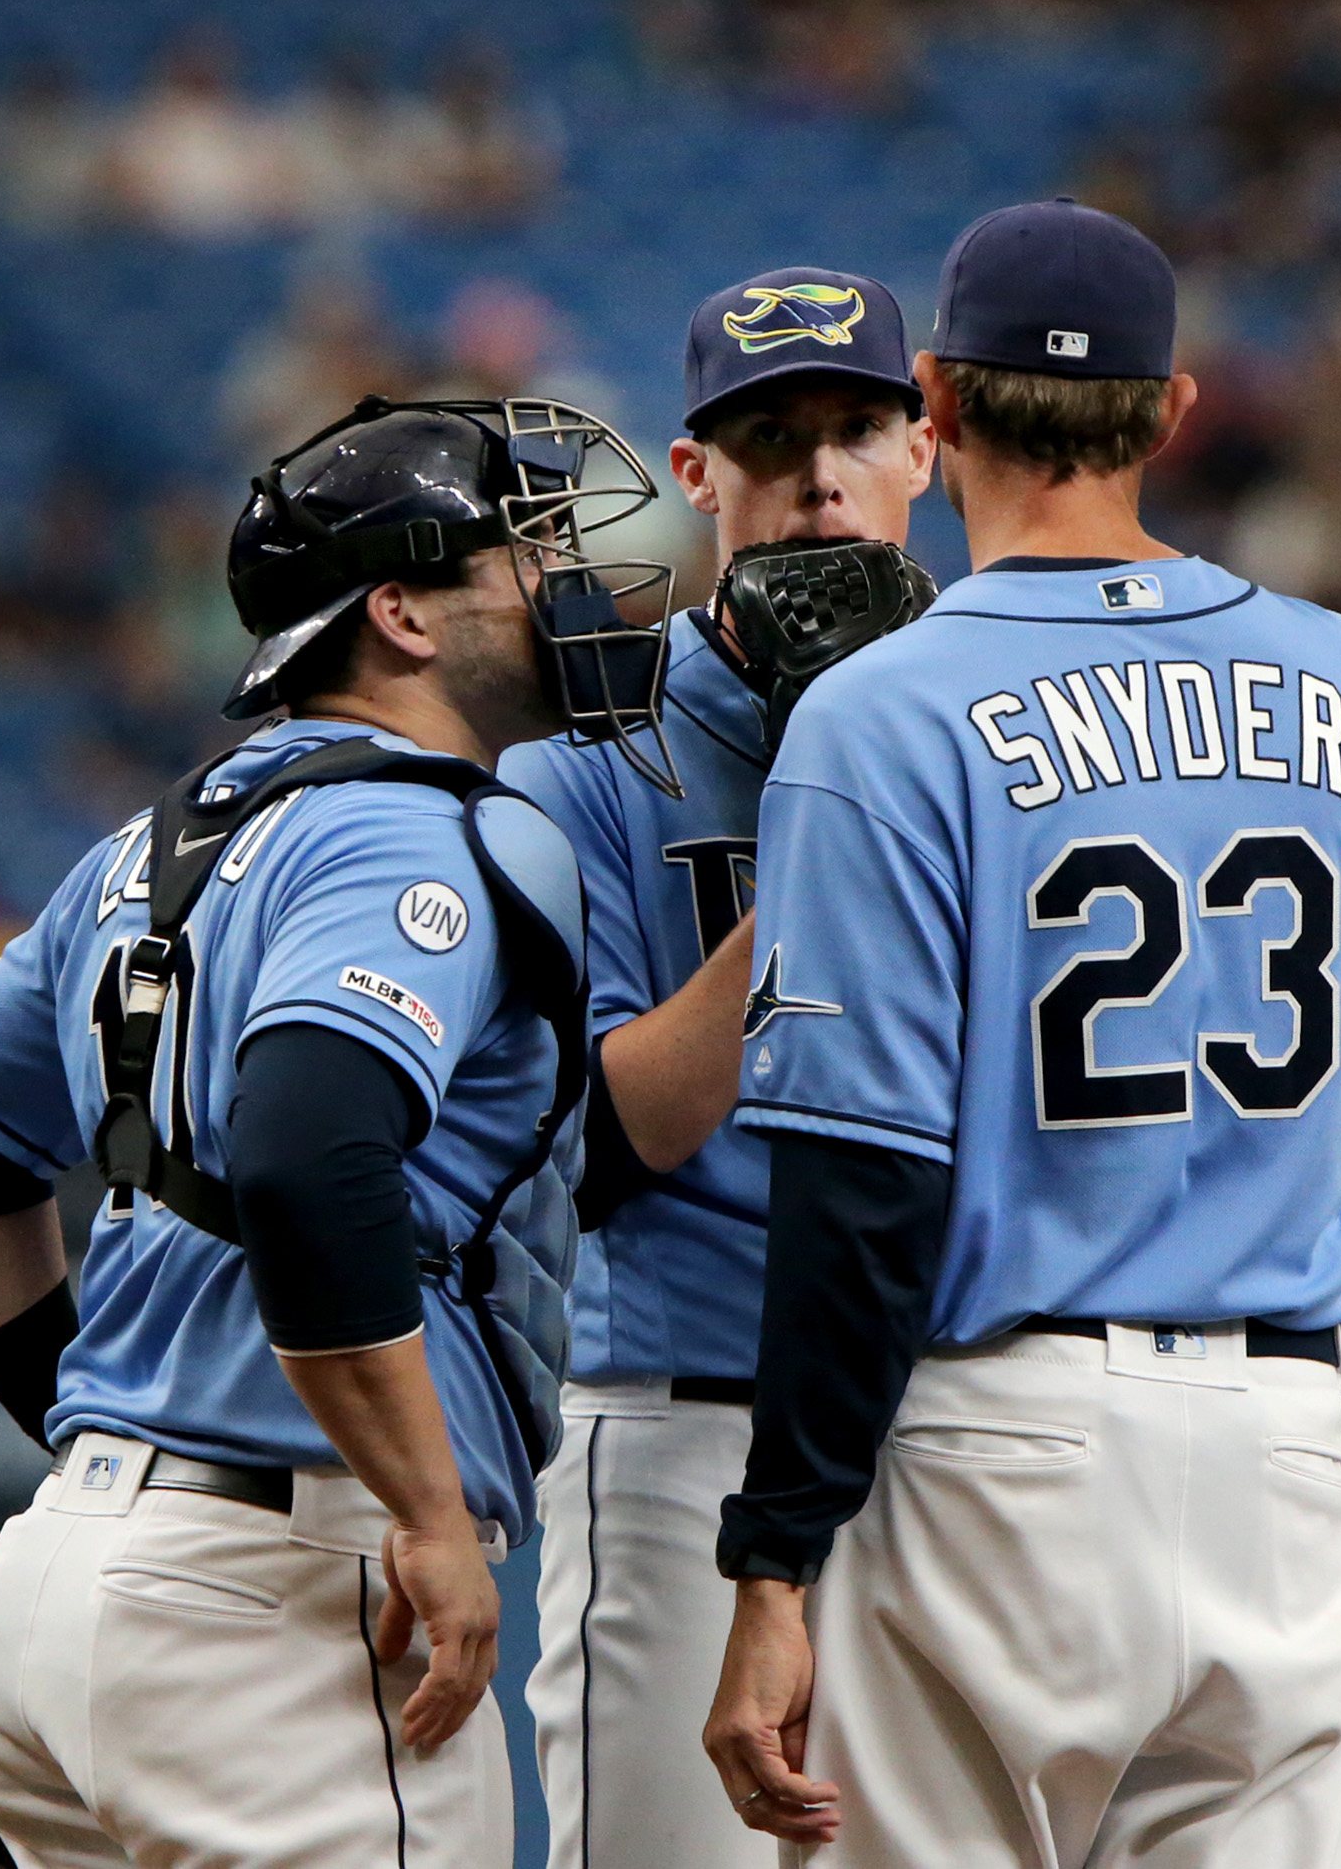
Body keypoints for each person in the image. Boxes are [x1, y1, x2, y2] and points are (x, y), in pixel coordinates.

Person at [0, 393, 679, 1866]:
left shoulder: (151, 842)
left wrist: (116, 1447)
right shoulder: (425, 831)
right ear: (404, 618)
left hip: (68, 1581)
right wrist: (426, 1508)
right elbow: (311, 1153)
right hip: (280, 1602)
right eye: (519, 552)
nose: (564, 583)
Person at [702, 199, 1341, 1864]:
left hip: (998, 1450)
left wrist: (774, 1558)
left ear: (933, 404)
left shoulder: (885, 709)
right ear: (1171, 413)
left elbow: (861, 1186)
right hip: (1286, 1448)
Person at [504, 267, 937, 1869]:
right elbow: (612, 1144)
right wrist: (829, 818)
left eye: (853, 428)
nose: (819, 473)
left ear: (924, 453)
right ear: (697, 475)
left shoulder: (1005, 723)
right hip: (687, 1415)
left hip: (951, 1414)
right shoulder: (591, 751)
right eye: (770, 440)